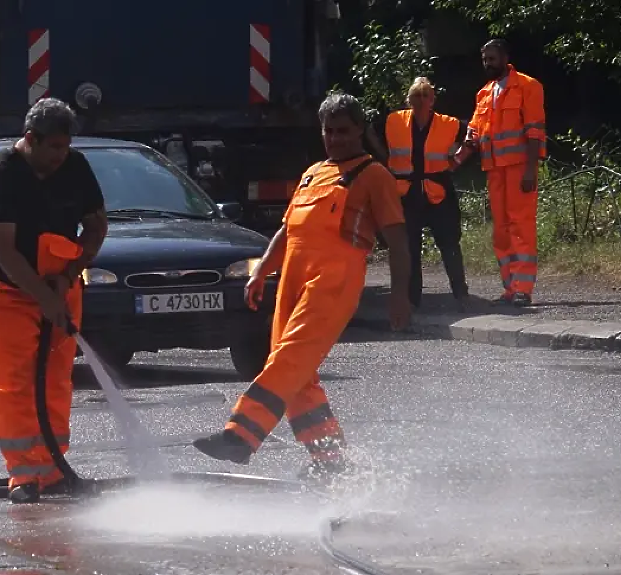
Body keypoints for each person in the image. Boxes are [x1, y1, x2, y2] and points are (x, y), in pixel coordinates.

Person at [192, 90, 412, 482]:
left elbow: (398, 240)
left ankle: (241, 435)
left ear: (360, 130)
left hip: (335, 279)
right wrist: (261, 272)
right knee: (296, 373)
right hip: (292, 275)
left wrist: (400, 295)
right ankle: (329, 460)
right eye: (329, 131)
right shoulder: (313, 172)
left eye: (344, 131)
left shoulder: (373, 174)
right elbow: (286, 230)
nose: (336, 138)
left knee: (289, 360)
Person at [0, 98, 108, 504]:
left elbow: (97, 226)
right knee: (14, 382)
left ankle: (52, 468)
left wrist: (65, 278)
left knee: (56, 378)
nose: (61, 156)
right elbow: (5, 252)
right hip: (7, 288)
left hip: (59, 283)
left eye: (66, 147)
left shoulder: (75, 168)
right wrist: (43, 297)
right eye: (54, 148)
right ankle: (24, 475)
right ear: (31, 139)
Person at [452, 39, 546, 307]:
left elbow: (534, 131)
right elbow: (473, 135)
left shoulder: (528, 86)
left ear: (505, 57)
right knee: (501, 231)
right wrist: (453, 162)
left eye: (492, 58)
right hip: (494, 170)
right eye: (484, 59)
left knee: (521, 226)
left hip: (518, 168)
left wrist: (530, 169)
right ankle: (509, 288)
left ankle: (523, 289)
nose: (487, 64)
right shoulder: (483, 94)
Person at [385, 77, 469, 311]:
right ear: (409, 99)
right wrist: (383, 164)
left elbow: (475, 135)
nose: (420, 100)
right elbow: (367, 132)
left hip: (438, 192)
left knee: (450, 243)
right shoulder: (394, 120)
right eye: (416, 96)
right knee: (410, 247)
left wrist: (457, 160)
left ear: (433, 100)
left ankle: (461, 295)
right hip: (406, 194)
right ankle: (413, 301)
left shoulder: (448, 123)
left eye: (425, 96)